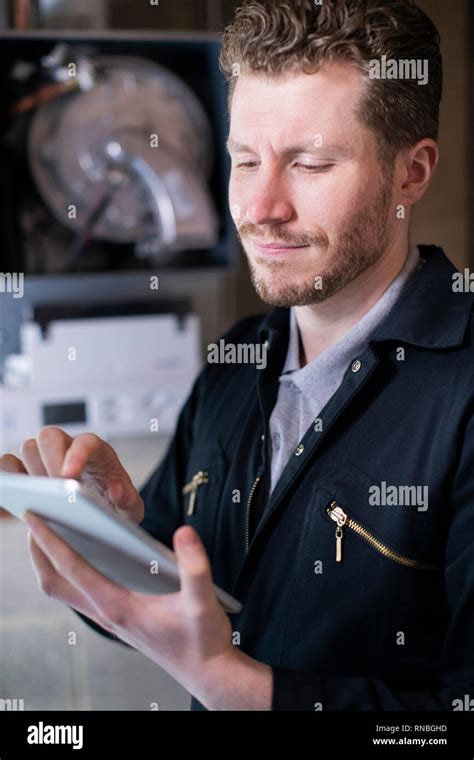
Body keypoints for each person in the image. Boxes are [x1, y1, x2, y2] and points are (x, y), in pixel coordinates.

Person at [2, 0, 474, 711]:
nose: (260, 206)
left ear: (412, 174)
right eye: (245, 160)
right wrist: (114, 536)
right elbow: (187, 617)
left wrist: (234, 687)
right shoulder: (235, 360)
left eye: (310, 163)